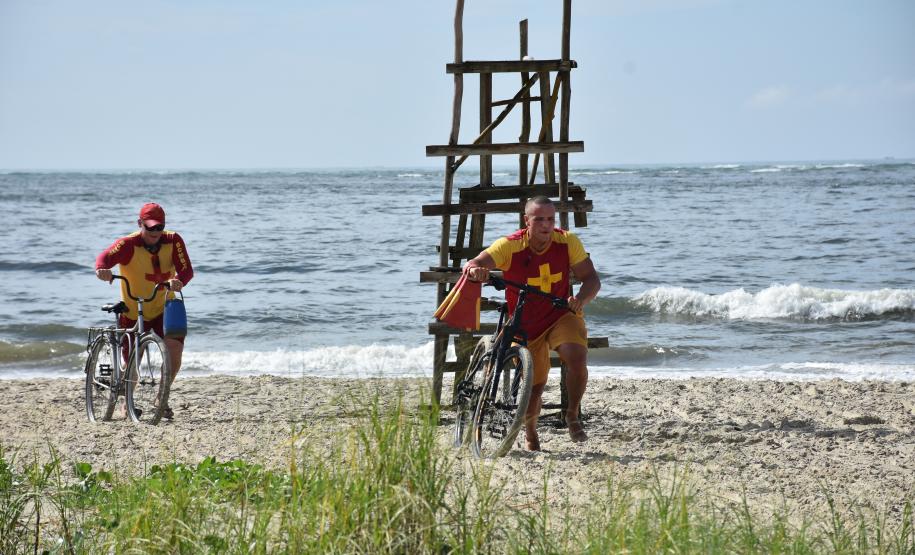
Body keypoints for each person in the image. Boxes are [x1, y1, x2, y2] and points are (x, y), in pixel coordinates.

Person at [464, 196, 600, 451]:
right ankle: (530, 432)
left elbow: (592, 278)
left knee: (576, 356)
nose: (546, 225)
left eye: (550, 219)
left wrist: (580, 299)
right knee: (534, 387)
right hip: (525, 322)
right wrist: (475, 270)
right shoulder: (510, 245)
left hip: (560, 314)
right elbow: (477, 262)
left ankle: (571, 414)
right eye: (539, 220)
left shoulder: (567, 241)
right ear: (526, 221)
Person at [95, 202, 193, 419]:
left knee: (174, 350)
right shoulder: (129, 244)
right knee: (133, 362)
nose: (155, 233)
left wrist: (178, 281)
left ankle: (162, 397)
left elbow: (186, 270)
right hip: (133, 310)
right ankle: (125, 403)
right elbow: (105, 257)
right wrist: (102, 270)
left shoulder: (173, 240)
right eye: (150, 228)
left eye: (159, 227)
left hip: (164, 308)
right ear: (140, 224)